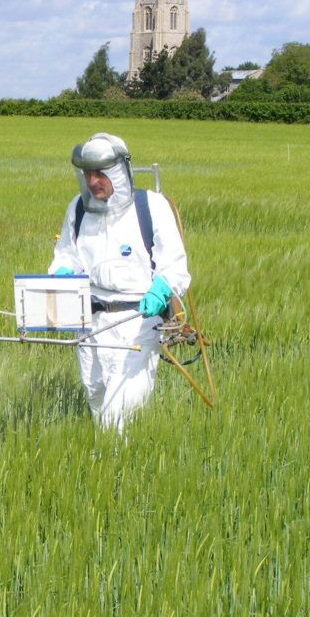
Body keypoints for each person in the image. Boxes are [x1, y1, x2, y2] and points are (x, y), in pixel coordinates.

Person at [48, 132, 190, 433]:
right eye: (87, 173)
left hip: (136, 321)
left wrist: (161, 289)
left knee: (120, 413)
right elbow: (66, 256)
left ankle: (118, 466)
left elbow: (174, 264)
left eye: (100, 173)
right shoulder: (78, 208)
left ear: (119, 172)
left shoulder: (151, 207)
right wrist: (60, 273)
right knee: (97, 401)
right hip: (89, 322)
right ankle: (108, 470)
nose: (92, 181)